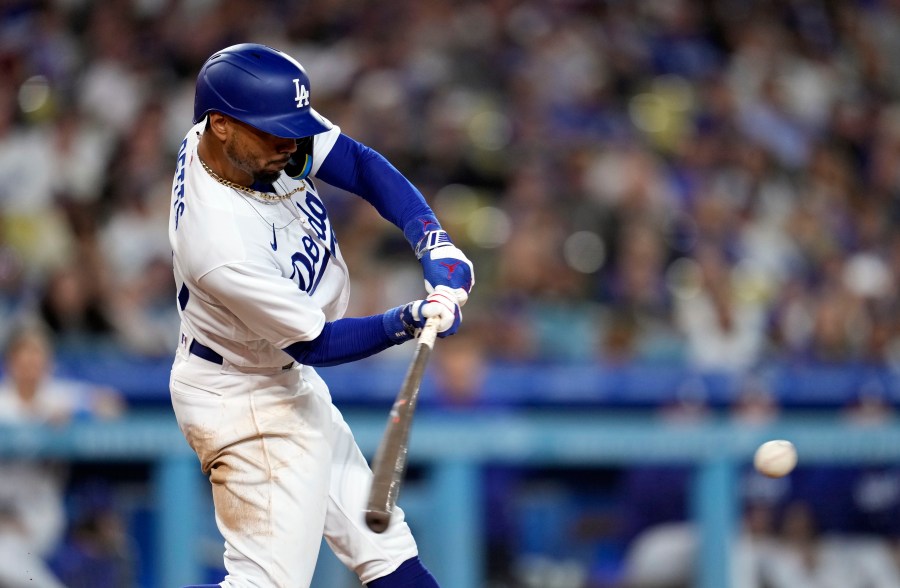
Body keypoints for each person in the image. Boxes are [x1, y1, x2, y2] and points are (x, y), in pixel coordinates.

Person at [168, 43, 474, 588]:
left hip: (278, 374)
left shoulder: (245, 142)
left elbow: (356, 163)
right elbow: (317, 345)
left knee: (386, 552)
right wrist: (408, 318)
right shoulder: (219, 241)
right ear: (219, 125)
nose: (290, 142)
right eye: (273, 130)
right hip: (243, 398)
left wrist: (434, 240)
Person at [0, 322, 125, 587]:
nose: (31, 364)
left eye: (38, 356)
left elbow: (111, 405)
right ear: (11, 360)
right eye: (25, 356)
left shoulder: (56, 395)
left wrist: (78, 415)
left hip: (40, 513)